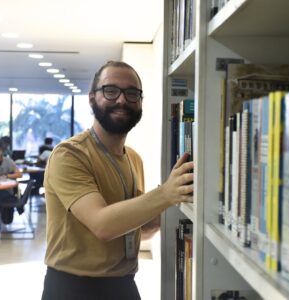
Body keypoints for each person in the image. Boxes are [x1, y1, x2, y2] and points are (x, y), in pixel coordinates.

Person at [41, 60, 194, 300]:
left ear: (140, 101)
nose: (122, 100)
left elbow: (138, 230)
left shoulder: (133, 158)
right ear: (92, 98)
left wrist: (172, 207)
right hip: (73, 288)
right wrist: (165, 194)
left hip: (124, 285)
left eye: (132, 93)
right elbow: (103, 225)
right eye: (111, 91)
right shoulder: (69, 155)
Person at [0, 138, 22, 226]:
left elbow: (19, 174)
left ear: (1, 151)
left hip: (6, 192)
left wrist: (6, 176)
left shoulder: (8, 161)